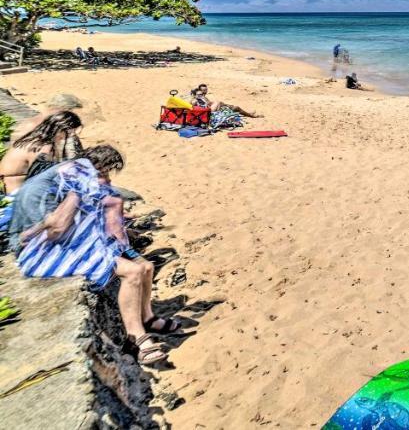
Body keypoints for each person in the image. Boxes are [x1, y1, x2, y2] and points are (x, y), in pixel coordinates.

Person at [12, 146, 179, 365]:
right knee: (133, 272)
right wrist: (77, 197)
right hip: (42, 252)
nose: (106, 179)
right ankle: (137, 339)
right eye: (103, 173)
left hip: (65, 243)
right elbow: (55, 231)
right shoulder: (57, 187)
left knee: (145, 266)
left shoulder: (71, 176)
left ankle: (148, 318)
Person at [0, 110, 84, 194]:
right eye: (70, 134)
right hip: (14, 192)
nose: (72, 137)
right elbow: (45, 176)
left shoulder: (37, 139)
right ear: (60, 130)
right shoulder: (41, 147)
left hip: (20, 188)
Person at [190, 83, 261, 117]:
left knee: (233, 107)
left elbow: (208, 103)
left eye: (206, 90)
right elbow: (192, 104)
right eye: (203, 90)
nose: (205, 91)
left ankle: (249, 113)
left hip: (212, 109)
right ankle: (251, 115)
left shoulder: (202, 97)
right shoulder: (197, 98)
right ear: (199, 91)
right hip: (210, 112)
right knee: (236, 108)